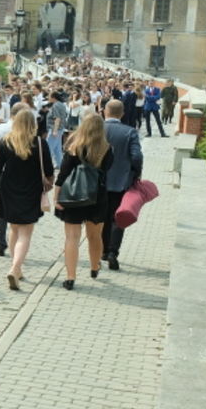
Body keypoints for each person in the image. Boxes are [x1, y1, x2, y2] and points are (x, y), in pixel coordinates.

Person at [0, 107, 54, 291]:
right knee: (25, 233)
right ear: (33, 124)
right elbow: (49, 171)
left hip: (8, 190)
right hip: (31, 191)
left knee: (14, 229)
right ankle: (15, 268)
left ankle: (18, 267)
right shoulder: (40, 143)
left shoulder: (6, 142)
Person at [53, 115, 114, 290]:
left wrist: (56, 197)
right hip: (97, 197)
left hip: (73, 196)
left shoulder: (74, 147)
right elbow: (106, 171)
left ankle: (70, 277)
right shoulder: (107, 149)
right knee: (95, 236)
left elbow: (62, 175)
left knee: (72, 237)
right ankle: (95, 267)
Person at [101, 99, 144, 271]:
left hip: (98, 182)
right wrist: (136, 173)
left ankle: (102, 250)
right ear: (123, 114)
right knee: (117, 217)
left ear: (105, 111)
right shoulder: (130, 132)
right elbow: (137, 156)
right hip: (121, 181)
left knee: (101, 217)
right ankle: (113, 252)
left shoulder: (96, 129)